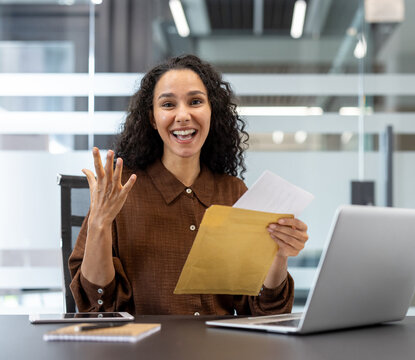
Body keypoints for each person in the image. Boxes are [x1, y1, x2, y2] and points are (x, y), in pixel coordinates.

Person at [68, 54, 309, 315]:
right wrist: (99, 224)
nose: (183, 115)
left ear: (211, 112)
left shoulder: (234, 192)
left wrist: (279, 254)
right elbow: (97, 305)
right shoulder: (120, 191)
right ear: (152, 118)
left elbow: (264, 310)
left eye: (195, 102)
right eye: (168, 104)